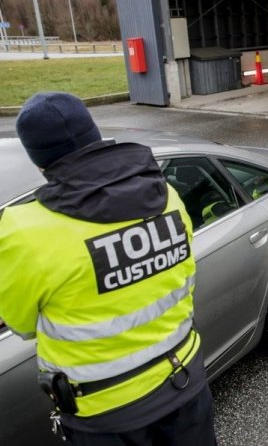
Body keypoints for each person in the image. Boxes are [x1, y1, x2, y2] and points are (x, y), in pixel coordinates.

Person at [0, 92, 216, 445]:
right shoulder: (166, 194)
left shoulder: (23, 231)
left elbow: (22, 325)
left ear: (39, 163)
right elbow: (182, 276)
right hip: (185, 380)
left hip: (104, 412)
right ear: (95, 136)